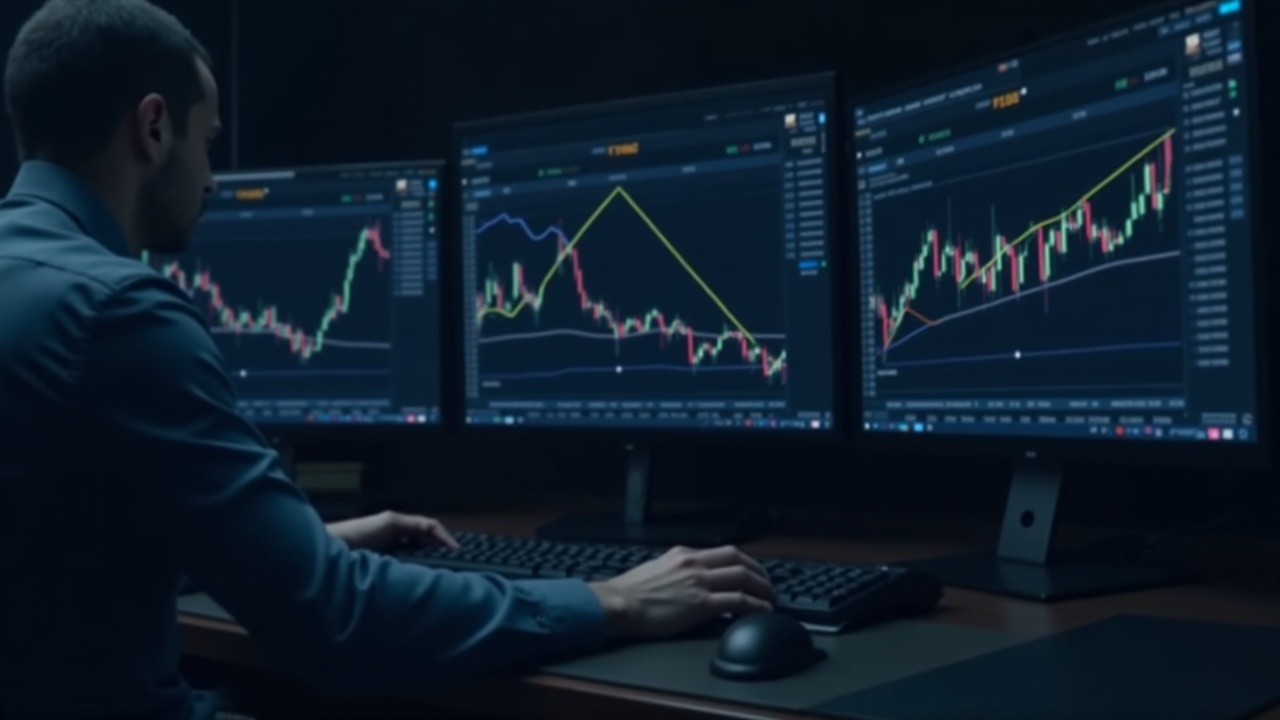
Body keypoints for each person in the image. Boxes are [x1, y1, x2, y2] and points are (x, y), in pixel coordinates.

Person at [0, 1, 776, 719]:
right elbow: (338, 623)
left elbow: (55, 557)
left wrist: (302, 547)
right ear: (154, 128)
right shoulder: (119, 312)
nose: (210, 180)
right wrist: (616, 599)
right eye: (209, 142)